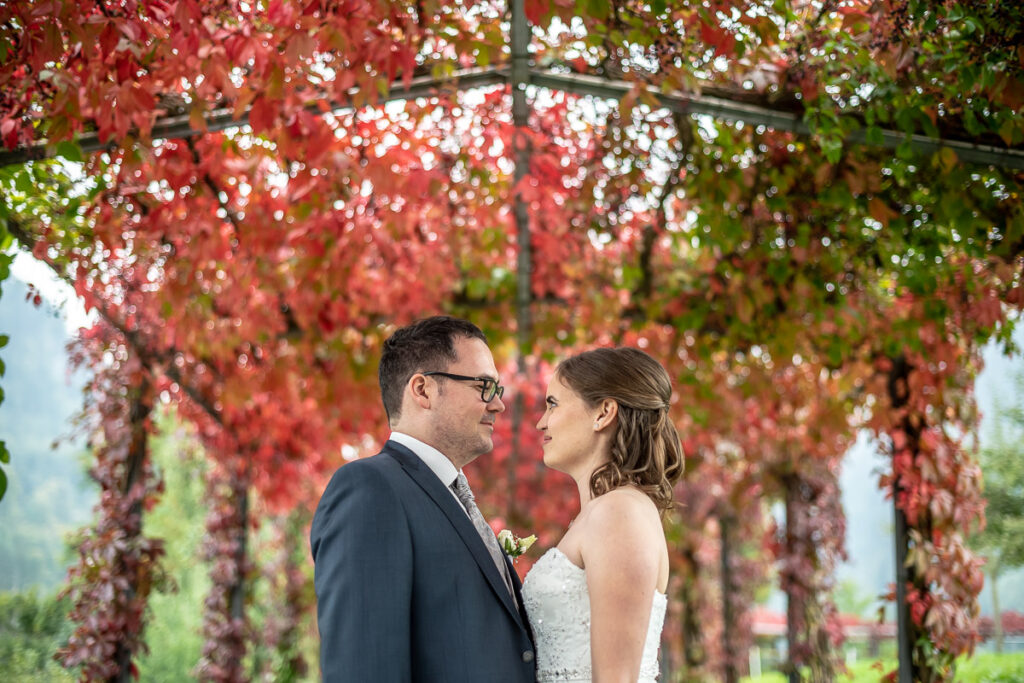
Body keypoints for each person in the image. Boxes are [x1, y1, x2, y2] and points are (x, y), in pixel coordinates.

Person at [310, 316, 537, 682]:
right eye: (484, 386)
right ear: (423, 390)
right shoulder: (369, 490)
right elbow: (363, 669)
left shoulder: (450, 495)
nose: (498, 405)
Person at [523, 347, 684, 683]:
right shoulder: (602, 512)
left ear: (604, 413)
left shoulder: (619, 513)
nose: (541, 422)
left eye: (552, 404)